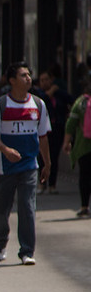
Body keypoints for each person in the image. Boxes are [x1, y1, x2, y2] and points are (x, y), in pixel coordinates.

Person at [0, 62, 51, 265]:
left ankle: (27, 251)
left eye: (29, 75)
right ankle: (1, 241)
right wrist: (6, 150)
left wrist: (47, 163)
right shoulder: (0, 105)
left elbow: (43, 136)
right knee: (2, 209)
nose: (28, 78)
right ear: (12, 81)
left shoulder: (38, 105)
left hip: (29, 166)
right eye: (23, 75)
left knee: (28, 207)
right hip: (5, 168)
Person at [38, 70, 74, 194]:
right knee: (41, 157)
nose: (44, 83)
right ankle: (42, 184)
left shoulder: (60, 94)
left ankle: (52, 185)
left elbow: (72, 101)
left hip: (57, 129)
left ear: (51, 80)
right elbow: (42, 101)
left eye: (46, 79)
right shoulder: (39, 94)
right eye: (42, 80)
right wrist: (50, 92)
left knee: (53, 157)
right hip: (42, 130)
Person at [62, 80, 91, 217]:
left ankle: (84, 207)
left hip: (83, 146)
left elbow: (70, 124)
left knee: (85, 177)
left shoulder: (80, 103)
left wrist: (66, 142)